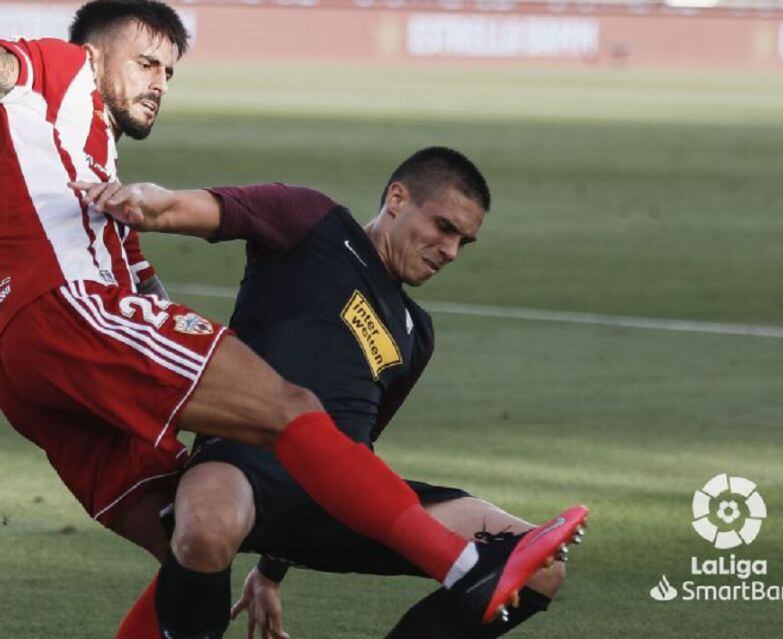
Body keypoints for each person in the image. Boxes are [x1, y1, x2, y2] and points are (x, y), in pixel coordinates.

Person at [0, 0, 585, 636]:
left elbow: (353, 451)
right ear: (95, 51)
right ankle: (463, 566)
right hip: (72, 310)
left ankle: (465, 565)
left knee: (179, 543)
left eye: (169, 73)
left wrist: (270, 570)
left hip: (27, 359)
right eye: (147, 63)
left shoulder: (84, 155)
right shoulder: (55, 71)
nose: (158, 84)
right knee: (287, 409)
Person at [71, 146, 587, 639]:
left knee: (540, 567)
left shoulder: (416, 332)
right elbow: (198, 206)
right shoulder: (310, 222)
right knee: (206, 528)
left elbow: (356, 454)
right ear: (398, 198)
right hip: (240, 467)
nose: (449, 251)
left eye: (463, 242)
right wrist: (142, 201)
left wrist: (271, 572)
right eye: (444, 228)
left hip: (338, 497)